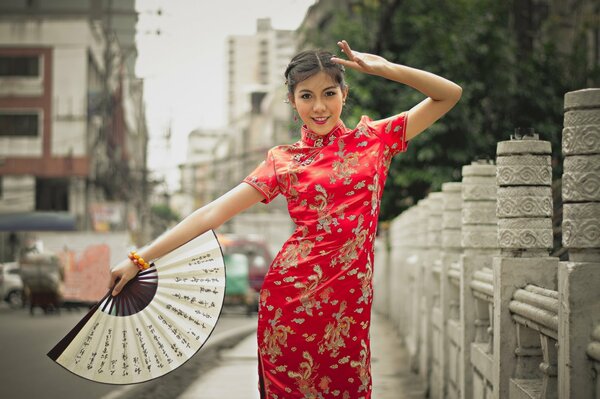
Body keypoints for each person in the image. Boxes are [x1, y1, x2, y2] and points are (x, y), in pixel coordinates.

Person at [110, 40, 462, 398]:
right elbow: (211, 213)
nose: (319, 106)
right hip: (290, 302)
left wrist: (384, 68)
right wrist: (140, 258)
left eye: (328, 93)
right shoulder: (283, 161)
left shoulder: (373, 140)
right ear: (293, 102)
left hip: (348, 308)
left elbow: (449, 95)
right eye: (306, 96)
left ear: (345, 92)